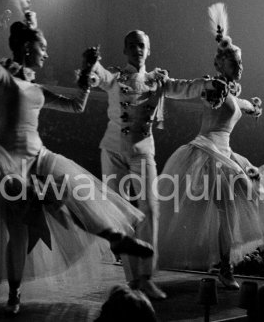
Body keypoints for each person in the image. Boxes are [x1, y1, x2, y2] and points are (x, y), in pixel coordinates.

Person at [0, 0, 152, 315]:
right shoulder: (3, 77)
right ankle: (14, 293)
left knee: (74, 189)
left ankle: (114, 236)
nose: (47, 52)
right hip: (3, 161)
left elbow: (77, 106)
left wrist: (86, 74)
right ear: (28, 48)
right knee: (18, 229)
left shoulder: (38, 89)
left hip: (39, 157)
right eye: (43, 47)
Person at [158, 3, 264, 290]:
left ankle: (241, 262)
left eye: (241, 63)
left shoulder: (233, 95)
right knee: (227, 209)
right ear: (220, 64)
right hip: (206, 152)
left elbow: (243, 105)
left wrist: (254, 107)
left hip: (227, 154)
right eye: (235, 63)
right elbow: (179, 88)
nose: (240, 67)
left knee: (261, 191)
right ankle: (225, 267)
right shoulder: (209, 86)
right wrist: (161, 81)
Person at [82, 30, 221, 300]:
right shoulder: (115, 77)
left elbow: (184, 87)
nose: (137, 49)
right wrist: (90, 65)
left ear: (149, 50)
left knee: (151, 210)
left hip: (143, 151)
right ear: (125, 50)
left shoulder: (157, 80)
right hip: (112, 151)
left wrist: (207, 84)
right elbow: (96, 76)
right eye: (132, 45)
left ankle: (145, 277)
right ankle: (132, 280)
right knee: (118, 213)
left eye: (142, 45)